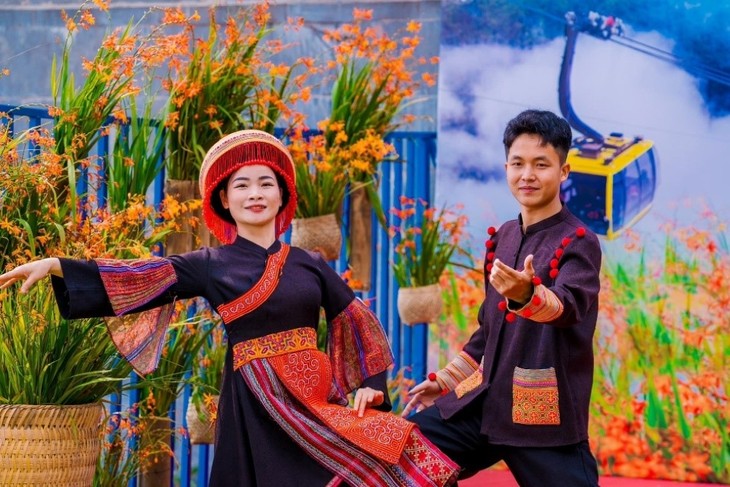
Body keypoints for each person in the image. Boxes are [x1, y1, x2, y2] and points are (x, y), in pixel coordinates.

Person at [0, 130, 459, 487]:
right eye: (242, 185)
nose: (254, 193)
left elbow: (356, 321)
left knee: (397, 448)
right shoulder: (209, 264)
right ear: (224, 199)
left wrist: (371, 388)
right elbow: (144, 275)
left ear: (282, 196)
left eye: (265, 183)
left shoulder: (311, 263)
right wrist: (59, 266)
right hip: (255, 405)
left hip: (315, 401)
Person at [402, 110, 602, 487]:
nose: (527, 175)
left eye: (541, 164)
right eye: (518, 163)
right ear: (506, 167)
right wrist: (444, 381)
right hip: (483, 403)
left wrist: (528, 295)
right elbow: (488, 332)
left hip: (543, 417)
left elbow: (568, 308)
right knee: (400, 453)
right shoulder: (502, 238)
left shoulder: (579, 241)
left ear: (564, 171)